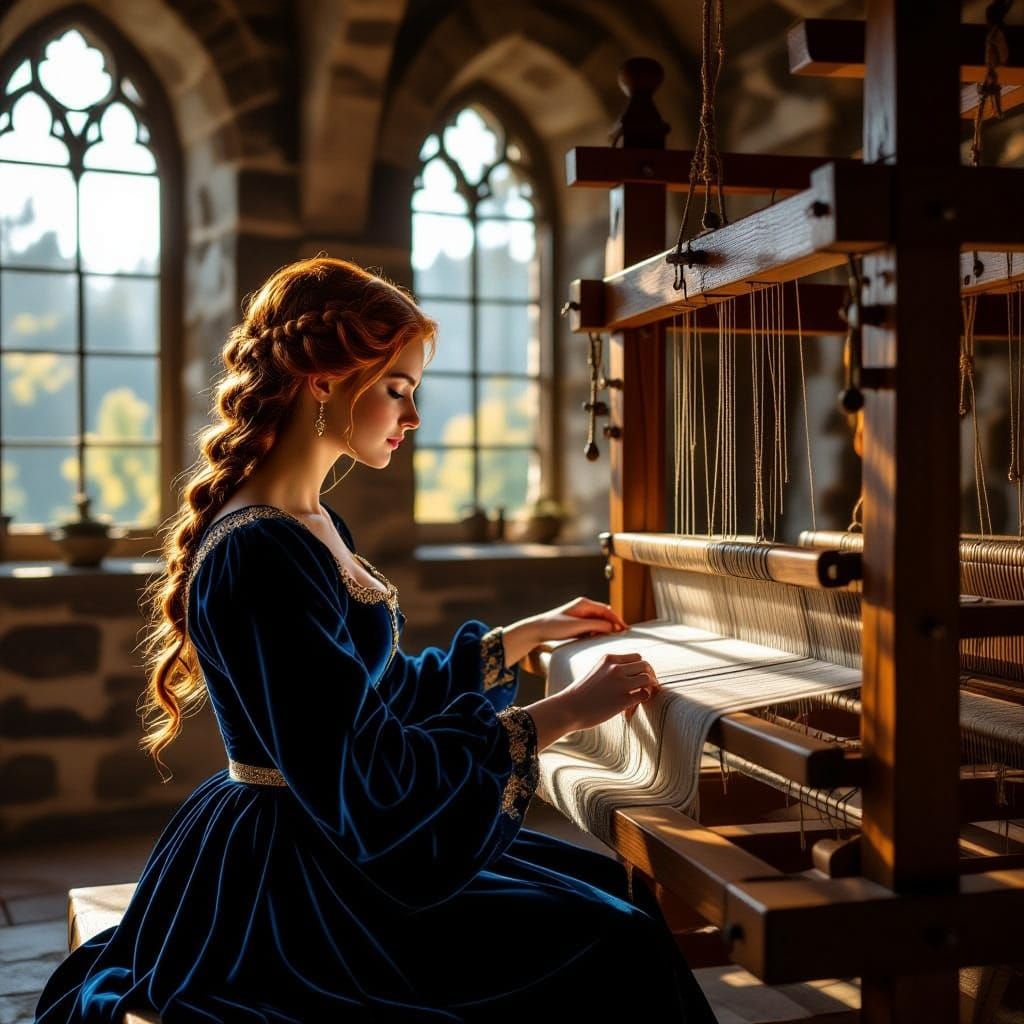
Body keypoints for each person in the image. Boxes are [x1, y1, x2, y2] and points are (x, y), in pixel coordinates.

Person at [35, 257, 717, 1023]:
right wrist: (562, 713)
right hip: (300, 872)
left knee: (613, 896)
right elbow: (369, 775)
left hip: (327, 835)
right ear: (322, 380)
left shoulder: (309, 524)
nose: (413, 417)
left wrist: (518, 640)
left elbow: (369, 698)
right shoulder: (259, 553)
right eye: (398, 389)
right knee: (613, 942)